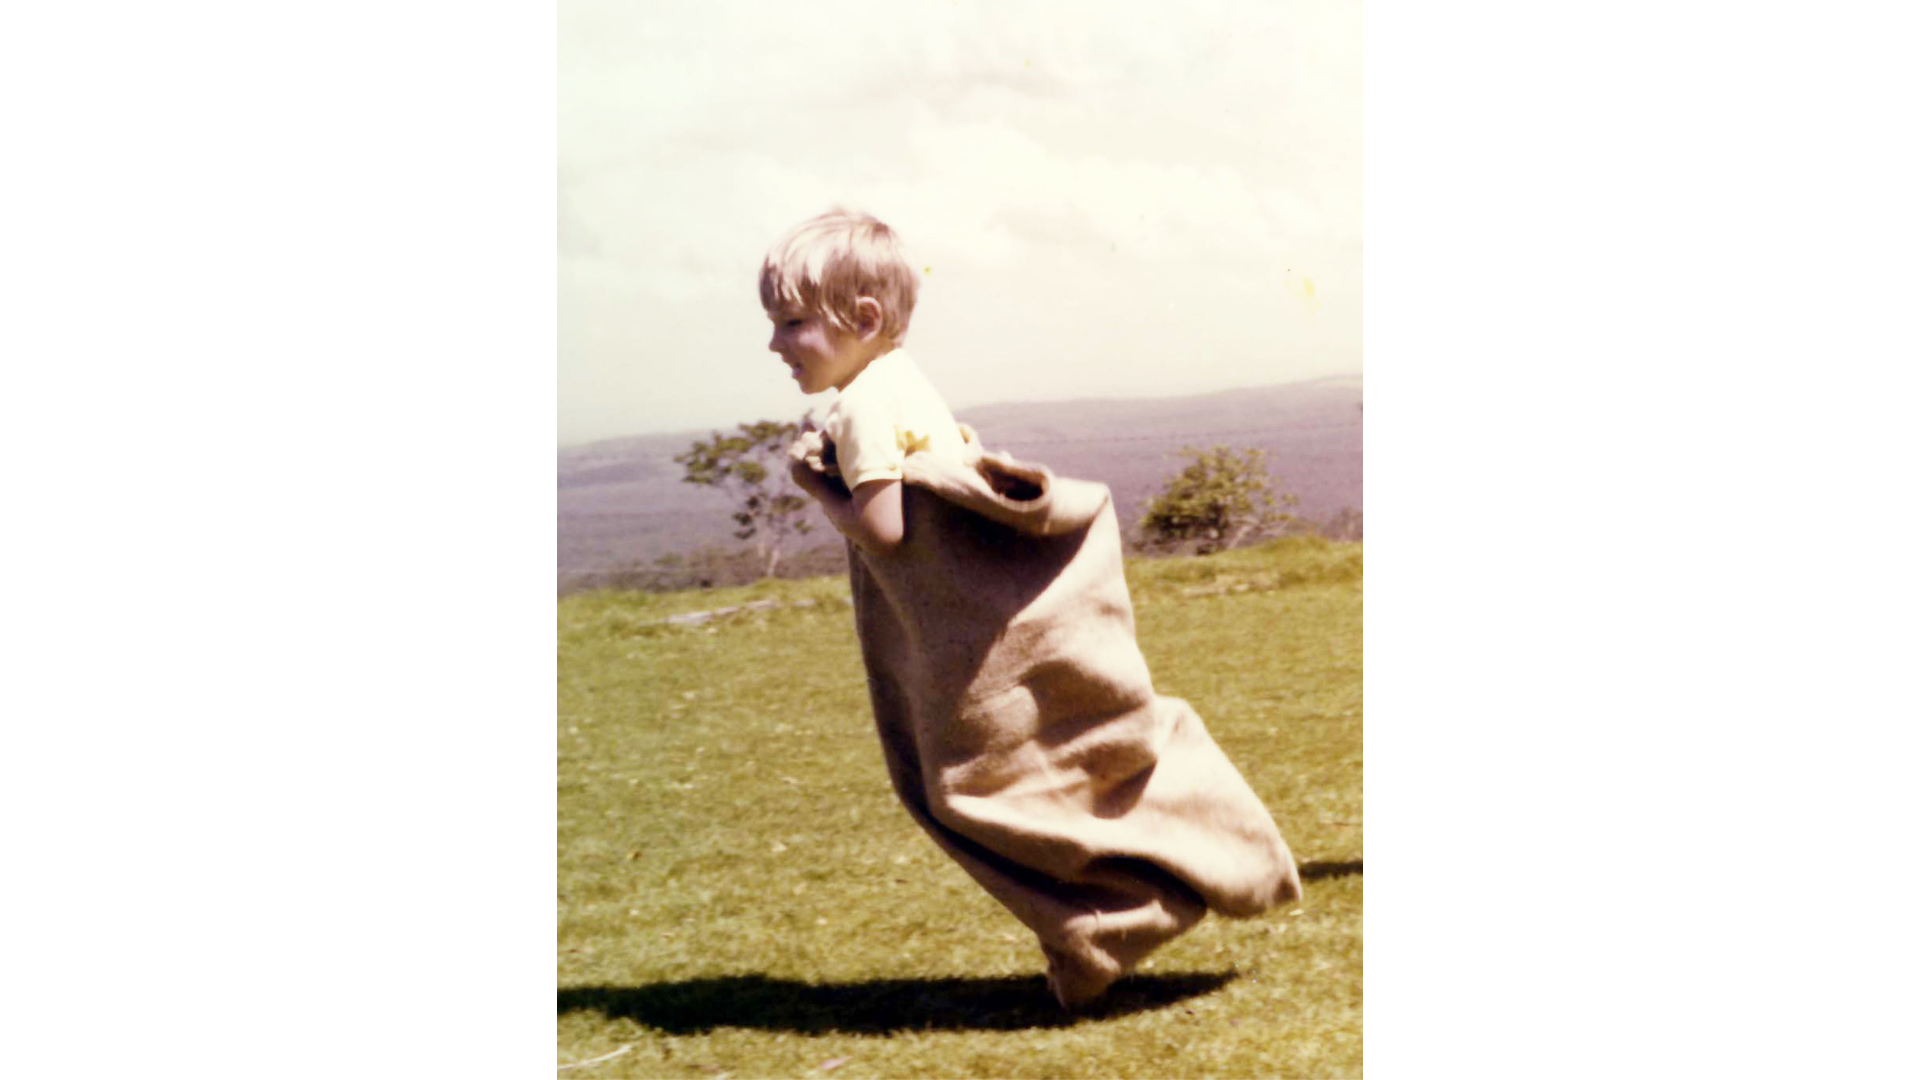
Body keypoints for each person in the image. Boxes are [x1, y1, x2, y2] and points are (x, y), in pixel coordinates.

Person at [761, 208, 1300, 1010]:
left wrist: (818, 487)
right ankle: (1131, 909)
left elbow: (886, 530)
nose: (775, 344)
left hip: (958, 647)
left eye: (791, 322)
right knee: (1053, 769)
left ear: (864, 320)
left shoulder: (864, 408)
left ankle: (1122, 916)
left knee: (971, 794)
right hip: (994, 626)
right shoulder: (903, 379)